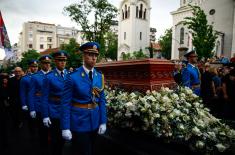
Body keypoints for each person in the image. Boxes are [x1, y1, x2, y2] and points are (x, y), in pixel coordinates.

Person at [61, 42, 107, 155]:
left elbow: (101, 101)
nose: (94, 58)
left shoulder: (99, 76)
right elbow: (65, 103)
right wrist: (65, 127)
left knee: (93, 150)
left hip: (95, 121)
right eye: (90, 54)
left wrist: (103, 122)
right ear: (83, 55)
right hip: (79, 122)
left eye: (96, 55)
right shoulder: (72, 77)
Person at [41, 50, 69, 155]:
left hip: (67, 111)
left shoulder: (69, 75)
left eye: (64, 60)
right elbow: (44, 98)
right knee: (55, 140)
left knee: (65, 139)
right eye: (60, 60)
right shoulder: (49, 77)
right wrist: (45, 116)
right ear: (55, 62)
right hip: (54, 111)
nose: (62, 63)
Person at [28, 55, 52, 155]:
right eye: (45, 63)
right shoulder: (35, 76)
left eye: (48, 63)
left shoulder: (53, 75)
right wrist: (32, 108)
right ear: (41, 64)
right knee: (42, 130)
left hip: (52, 105)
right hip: (39, 106)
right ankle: (43, 148)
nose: (47, 65)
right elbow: (31, 93)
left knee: (53, 130)